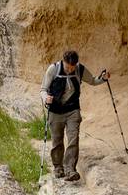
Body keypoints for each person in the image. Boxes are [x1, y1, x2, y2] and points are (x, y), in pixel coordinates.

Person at [42, 50, 108, 183]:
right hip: (55, 111)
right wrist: (46, 98)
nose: (70, 69)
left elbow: (93, 80)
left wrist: (103, 78)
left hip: (72, 110)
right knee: (57, 140)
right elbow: (43, 89)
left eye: (72, 67)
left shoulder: (80, 69)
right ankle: (58, 167)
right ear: (63, 61)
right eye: (68, 66)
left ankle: (70, 169)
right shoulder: (53, 69)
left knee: (73, 138)